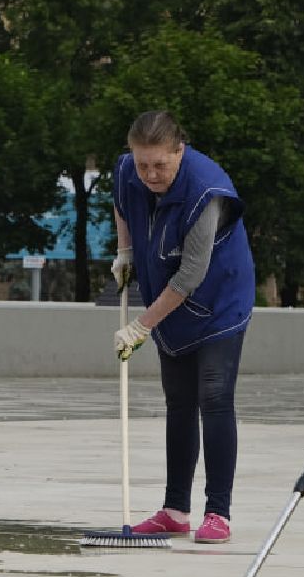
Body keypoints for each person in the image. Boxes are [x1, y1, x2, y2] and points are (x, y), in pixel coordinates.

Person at [110, 111, 257, 544]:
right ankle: (175, 509)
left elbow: (192, 273)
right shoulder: (127, 171)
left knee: (213, 397)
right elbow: (122, 203)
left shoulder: (206, 190)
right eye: (143, 165)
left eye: (161, 165)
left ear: (180, 151)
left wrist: (140, 327)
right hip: (168, 300)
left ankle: (219, 513)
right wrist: (126, 252)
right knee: (178, 401)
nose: (151, 175)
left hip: (219, 301)